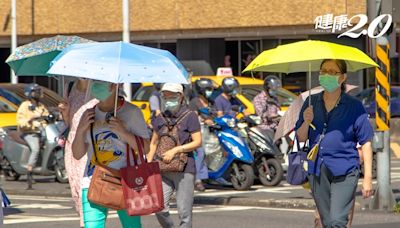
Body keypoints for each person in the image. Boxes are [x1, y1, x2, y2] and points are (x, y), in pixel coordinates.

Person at [295, 59, 374, 227]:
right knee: (326, 221)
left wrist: (367, 177)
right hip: (317, 169)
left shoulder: (354, 106)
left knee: (338, 220)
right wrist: (305, 121)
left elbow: (366, 141)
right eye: (323, 71)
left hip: (345, 168)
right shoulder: (311, 102)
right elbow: (301, 138)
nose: (326, 75)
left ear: (343, 77)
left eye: (332, 72)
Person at [72, 81, 150, 228]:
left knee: (132, 226)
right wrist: (81, 129)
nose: (95, 86)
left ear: (114, 86)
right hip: (93, 180)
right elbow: (77, 154)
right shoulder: (88, 113)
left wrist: (124, 133)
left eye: (100, 83)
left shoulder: (132, 112)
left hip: (126, 180)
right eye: (94, 82)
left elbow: (145, 148)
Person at [148, 83, 202, 228]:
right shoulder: (160, 118)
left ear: (180, 96)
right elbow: (154, 143)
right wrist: (148, 163)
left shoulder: (190, 116)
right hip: (162, 168)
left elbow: (197, 142)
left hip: (184, 168)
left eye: (172, 95)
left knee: (184, 212)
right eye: (165, 95)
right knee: (159, 206)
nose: (168, 98)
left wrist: (176, 150)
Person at [58, 79, 98, 227]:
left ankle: (87, 223)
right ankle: (84, 222)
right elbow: (69, 124)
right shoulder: (70, 87)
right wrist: (65, 112)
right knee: (75, 188)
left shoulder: (99, 89)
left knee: (86, 187)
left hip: (90, 144)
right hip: (72, 143)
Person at [16, 84, 49, 190]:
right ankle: (30, 171)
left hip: (42, 132)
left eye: (38, 92)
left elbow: (46, 116)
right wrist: (31, 118)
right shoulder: (25, 106)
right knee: (35, 148)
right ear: (29, 93)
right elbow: (20, 122)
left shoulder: (41, 106)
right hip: (30, 133)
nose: (38, 94)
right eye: (35, 92)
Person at [189, 78, 214, 191]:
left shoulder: (210, 101)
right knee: (200, 153)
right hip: (199, 131)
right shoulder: (195, 102)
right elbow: (193, 118)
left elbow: (217, 114)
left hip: (211, 131)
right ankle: (198, 179)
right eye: (208, 89)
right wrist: (205, 121)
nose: (210, 92)